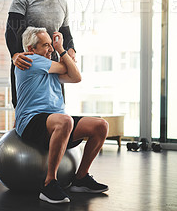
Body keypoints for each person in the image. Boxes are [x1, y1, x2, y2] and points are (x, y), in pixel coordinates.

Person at [15, 26, 109, 204]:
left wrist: (62, 52)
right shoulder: (30, 60)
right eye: (45, 45)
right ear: (31, 49)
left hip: (57, 122)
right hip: (32, 122)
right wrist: (62, 50)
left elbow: (76, 77)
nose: (50, 49)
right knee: (65, 120)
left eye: (51, 45)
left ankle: (80, 178)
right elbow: (69, 68)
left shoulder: (51, 68)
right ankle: (49, 183)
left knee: (100, 125)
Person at [5, 0, 76, 108]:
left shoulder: (62, 3)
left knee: (56, 109)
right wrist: (15, 54)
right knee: (26, 112)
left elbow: (66, 33)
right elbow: (12, 29)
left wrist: (71, 50)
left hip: (53, 64)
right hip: (28, 63)